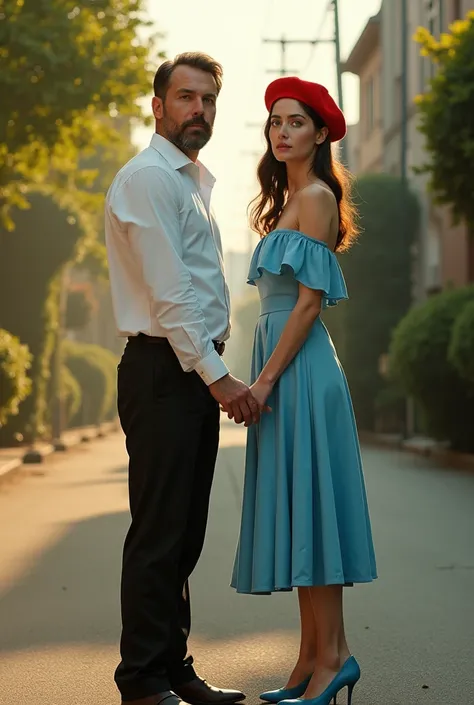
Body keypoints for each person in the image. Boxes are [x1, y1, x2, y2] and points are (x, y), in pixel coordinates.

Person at [105, 52, 261, 705]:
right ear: (158, 105)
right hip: (163, 368)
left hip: (185, 369)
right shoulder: (148, 179)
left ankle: (173, 666)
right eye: (186, 97)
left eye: (208, 100)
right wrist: (220, 377)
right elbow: (172, 297)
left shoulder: (190, 181)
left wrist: (210, 372)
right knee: (159, 530)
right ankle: (141, 678)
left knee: (184, 531)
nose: (198, 110)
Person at [230, 77, 377, 705]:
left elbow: (309, 303)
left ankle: (334, 657)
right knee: (301, 515)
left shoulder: (315, 196)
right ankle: (309, 659)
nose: (281, 131)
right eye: (274, 122)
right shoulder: (283, 202)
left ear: (320, 134)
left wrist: (262, 381)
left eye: (295, 122)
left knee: (315, 515)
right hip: (282, 366)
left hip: (300, 371)